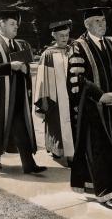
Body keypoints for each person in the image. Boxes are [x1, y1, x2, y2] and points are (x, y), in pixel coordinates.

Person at [67, 7, 112, 210]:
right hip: (91, 108)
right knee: (98, 149)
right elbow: (77, 79)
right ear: (87, 24)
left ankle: (107, 183)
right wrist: (100, 96)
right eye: (97, 21)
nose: (102, 24)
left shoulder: (110, 44)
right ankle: (104, 192)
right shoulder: (78, 47)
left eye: (104, 20)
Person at [0, 10, 47, 174]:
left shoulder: (19, 45)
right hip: (0, 97)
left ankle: (29, 165)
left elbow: (25, 69)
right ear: (1, 24)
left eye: (16, 25)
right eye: (12, 24)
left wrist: (24, 69)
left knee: (21, 129)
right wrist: (11, 66)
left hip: (17, 95)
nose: (15, 28)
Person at [34, 20, 74, 165]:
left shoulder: (73, 50)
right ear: (55, 36)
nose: (64, 38)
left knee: (72, 124)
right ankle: (56, 149)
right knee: (56, 124)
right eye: (61, 35)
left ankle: (71, 154)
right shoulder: (48, 53)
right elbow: (42, 79)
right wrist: (44, 98)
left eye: (67, 35)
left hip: (72, 95)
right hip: (55, 97)